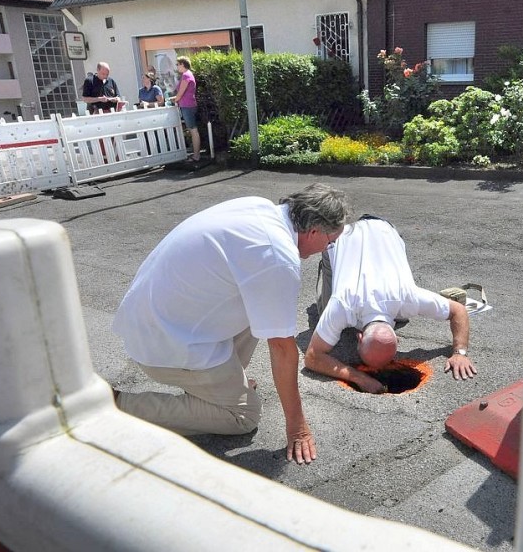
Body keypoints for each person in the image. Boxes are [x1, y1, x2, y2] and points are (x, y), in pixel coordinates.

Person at [112, 183, 350, 464]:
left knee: (265, 310)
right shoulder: (277, 257)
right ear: (313, 231)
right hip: (164, 346)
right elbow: (283, 349)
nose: (329, 248)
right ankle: (116, 404)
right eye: (330, 241)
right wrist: (297, 428)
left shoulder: (258, 206)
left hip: (150, 321)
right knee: (243, 416)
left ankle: (216, 386)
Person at [304, 216, 476, 394]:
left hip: (386, 230)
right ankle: (327, 265)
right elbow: (312, 357)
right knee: (323, 311)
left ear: (360, 336)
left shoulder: (408, 297)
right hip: (342, 235)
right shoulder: (341, 304)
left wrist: (460, 353)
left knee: (403, 316)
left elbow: (458, 310)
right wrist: (359, 377)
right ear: (359, 337)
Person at [170, 55, 201, 162]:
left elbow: (180, 93)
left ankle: (196, 156)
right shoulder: (187, 75)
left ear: (183, 64)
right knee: (192, 130)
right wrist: (176, 98)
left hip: (188, 106)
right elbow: (182, 93)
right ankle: (196, 154)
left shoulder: (186, 75)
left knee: (193, 130)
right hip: (187, 105)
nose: (177, 66)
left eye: (177, 64)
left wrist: (174, 99)